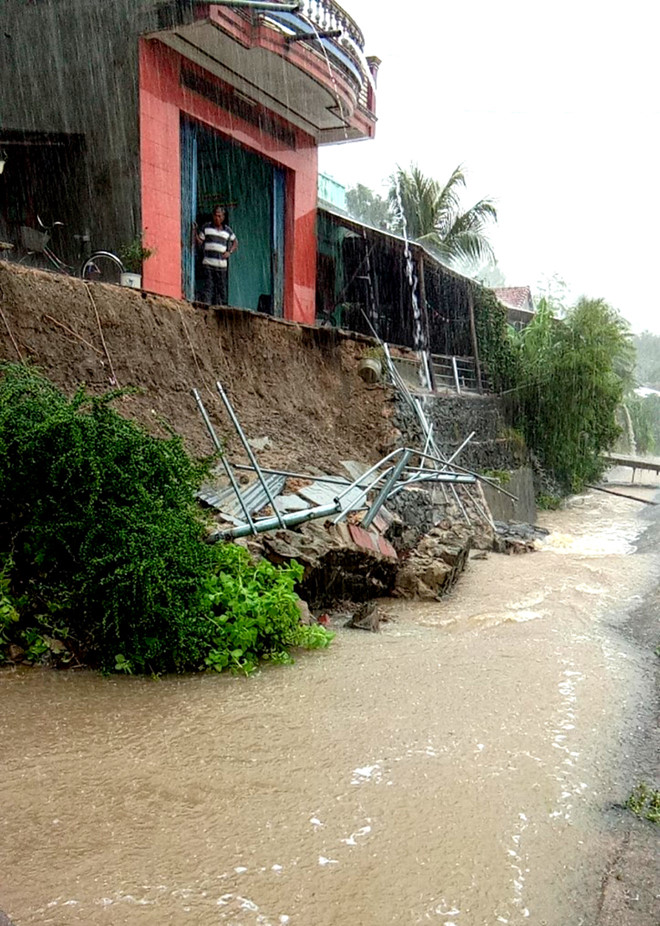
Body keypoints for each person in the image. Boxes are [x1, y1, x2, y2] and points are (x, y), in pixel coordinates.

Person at [194, 205, 238, 306]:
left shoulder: (227, 230)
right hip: (208, 264)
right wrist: (195, 233)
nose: (217, 218)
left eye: (219, 216)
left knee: (221, 288)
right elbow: (200, 241)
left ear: (223, 217)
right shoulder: (206, 227)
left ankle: (220, 307)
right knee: (208, 287)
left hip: (221, 266)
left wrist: (229, 252)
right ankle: (207, 306)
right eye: (215, 215)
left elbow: (235, 242)